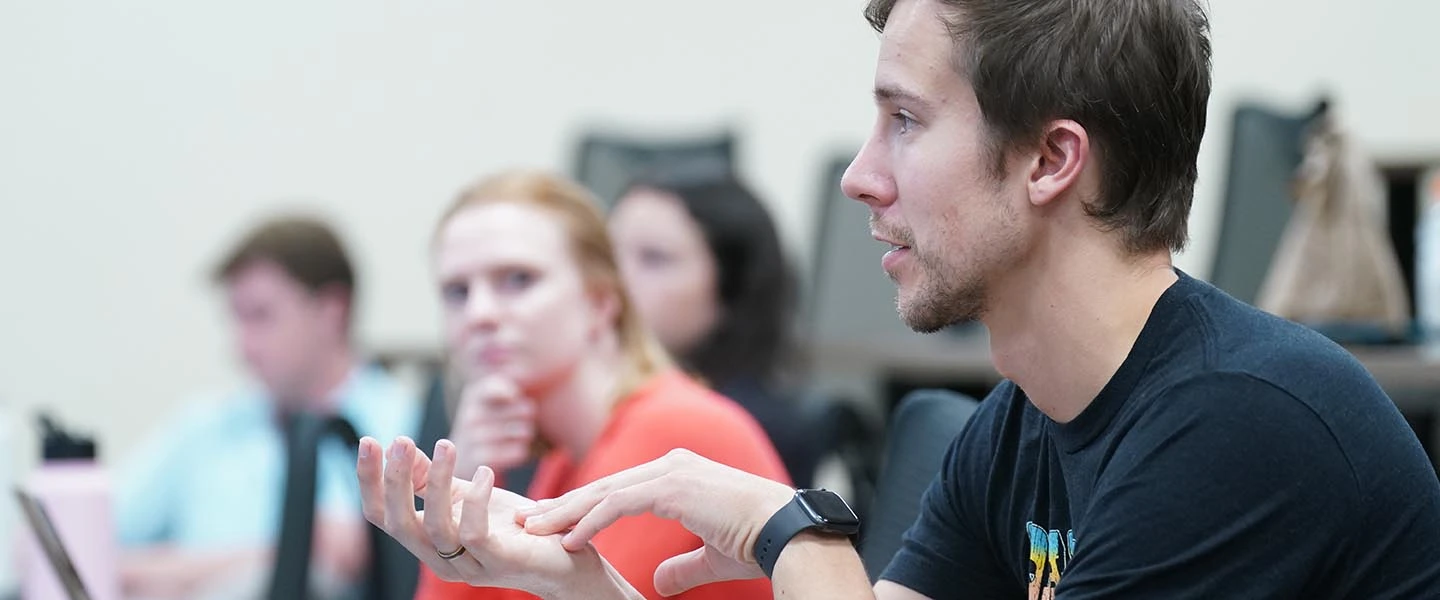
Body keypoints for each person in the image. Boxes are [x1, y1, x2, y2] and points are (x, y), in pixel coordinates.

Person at [359, 0, 1440, 598]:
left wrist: (794, 530)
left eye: (906, 123)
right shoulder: (1023, 423)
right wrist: (569, 586)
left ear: (1051, 160)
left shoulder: (1244, 425)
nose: (859, 175)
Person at [404, 170, 789, 600]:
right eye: (457, 291)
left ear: (601, 301)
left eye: (517, 279)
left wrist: (456, 524)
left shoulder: (672, 429)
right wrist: (459, 501)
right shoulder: (569, 458)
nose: (480, 313)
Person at [116, 216, 419, 599]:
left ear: (331, 311)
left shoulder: (398, 425)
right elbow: (71, 543)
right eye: (237, 319)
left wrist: (160, 572)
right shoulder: (204, 424)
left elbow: (341, 553)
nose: (243, 346)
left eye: (261, 317)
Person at [609, 171, 821, 487]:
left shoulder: (749, 427)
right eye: (605, 256)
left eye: (654, 258)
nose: (614, 281)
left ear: (731, 288)